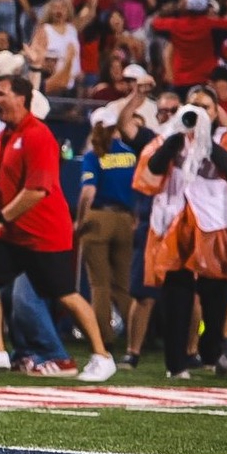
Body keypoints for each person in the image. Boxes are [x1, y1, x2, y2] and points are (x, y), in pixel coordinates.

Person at [0, 75, 117, 382]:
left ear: (21, 98)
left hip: (43, 233)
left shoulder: (38, 135)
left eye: (1, 94)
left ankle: (102, 355)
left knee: (66, 294)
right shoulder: (6, 135)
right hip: (15, 233)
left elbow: (37, 191)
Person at [133, 85, 227, 377]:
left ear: (215, 112)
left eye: (205, 107)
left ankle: (212, 350)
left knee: (216, 296)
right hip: (176, 223)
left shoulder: (224, 137)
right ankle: (176, 363)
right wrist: (175, 140)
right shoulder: (169, 134)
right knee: (177, 295)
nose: (198, 112)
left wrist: (205, 139)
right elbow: (153, 168)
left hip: (214, 225)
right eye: (193, 105)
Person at [74, 120, 138, 356]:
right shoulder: (131, 154)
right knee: (123, 285)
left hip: (99, 218)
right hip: (125, 220)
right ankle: (136, 339)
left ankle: (104, 339)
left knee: (99, 285)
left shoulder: (94, 154)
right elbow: (139, 188)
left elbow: (88, 191)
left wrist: (80, 220)